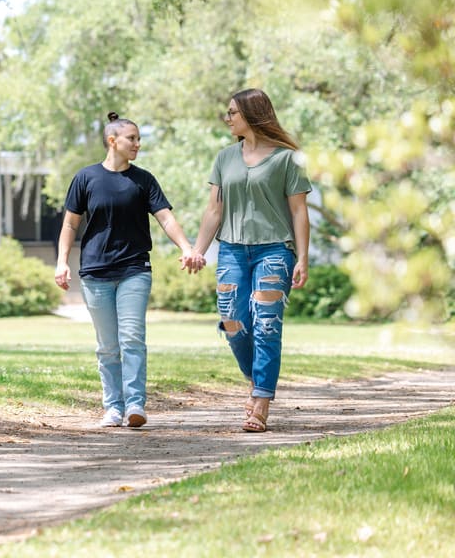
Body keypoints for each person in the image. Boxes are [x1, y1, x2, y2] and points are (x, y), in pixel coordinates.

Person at [54, 113, 198, 429]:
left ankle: (135, 405)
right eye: (131, 138)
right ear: (112, 141)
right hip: (94, 272)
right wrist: (62, 261)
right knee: (107, 346)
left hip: (135, 268)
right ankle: (113, 408)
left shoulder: (143, 180)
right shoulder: (86, 178)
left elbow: (166, 219)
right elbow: (70, 223)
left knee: (132, 338)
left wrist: (186, 248)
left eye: (138, 138)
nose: (137, 144)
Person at [188, 88, 311, 433]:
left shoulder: (287, 158)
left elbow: (299, 211)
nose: (227, 119)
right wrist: (198, 249)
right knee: (232, 321)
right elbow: (214, 210)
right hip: (232, 251)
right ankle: (257, 375)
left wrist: (302, 257)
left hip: (275, 250)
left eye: (232, 113)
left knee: (266, 323)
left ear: (251, 115)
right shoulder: (225, 158)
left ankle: (260, 402)